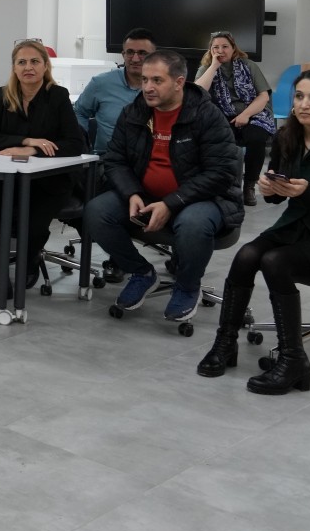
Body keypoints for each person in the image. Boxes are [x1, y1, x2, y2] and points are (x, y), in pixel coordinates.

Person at [198, 68, 310, 394]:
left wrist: (307, 193)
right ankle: (225, 343)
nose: (304, 104)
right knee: (246, 256)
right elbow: (279, 195)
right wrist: (270, 189)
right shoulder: (287, 138)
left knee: (275, 261)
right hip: (297, 228)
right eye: (299, 96)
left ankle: (293, 360)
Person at [83, 50, 243, 322]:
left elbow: (221, 172)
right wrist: (131, 193)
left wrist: (171, 203)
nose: (148, 87)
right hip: (146, 195)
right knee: (97, 212)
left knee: (193, 223)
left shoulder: (206, 115)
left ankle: (187, 286)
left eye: (157, 80)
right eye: (145, 80)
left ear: (179, 82)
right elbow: (115, 160)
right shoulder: (133, 112)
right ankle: (141, 272)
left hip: (202, 200)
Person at [0, 39, 86, 304]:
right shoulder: (3, 95)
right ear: (14, 68)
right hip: (9, 178)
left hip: (50, 181)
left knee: (32, 223)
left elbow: (74, 144)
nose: (28, 67)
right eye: (21, 62)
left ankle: (31, 256)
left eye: (35, 61)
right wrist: (27, 140)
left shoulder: (57, 96)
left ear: (45, 66)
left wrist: (33, 151)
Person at [195, 31, 276, 206]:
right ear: (210, 50)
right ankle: (227, 185)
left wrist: (245, 115)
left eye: (225, 46)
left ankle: (249, 185)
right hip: (222, 116)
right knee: (220, 141)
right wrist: (213, 67)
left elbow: (263, 96)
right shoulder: (206, 68)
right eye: (215, 47)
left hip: (254, 113)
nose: (220, 51)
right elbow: (197, 93)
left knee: (256, 138)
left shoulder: (249, 65)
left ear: (233, 48)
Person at [74, 27, 156, 152]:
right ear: (123, 55)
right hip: (107, 158)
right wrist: (83, 144)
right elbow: (79, 112)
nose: (135, 59)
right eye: (130, 52)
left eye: (142, 53)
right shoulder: (101, 83)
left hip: (149, 158)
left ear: (154, 56)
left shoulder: (163, 87)